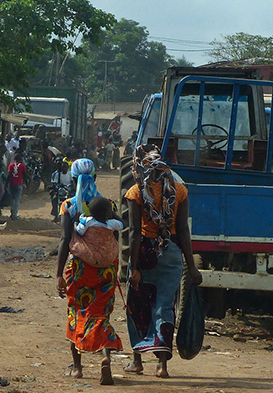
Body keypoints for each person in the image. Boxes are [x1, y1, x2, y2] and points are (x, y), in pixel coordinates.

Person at [123, 145, 202, 379]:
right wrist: (192, 265)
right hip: (172, 251)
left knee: (137, 304)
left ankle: (137, 360)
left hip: (145, 252)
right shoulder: (179, 191)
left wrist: (133, 266)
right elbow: (184, 231)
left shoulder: (136, 191)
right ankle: (162, 366)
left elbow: (134, 233)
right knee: (165, 307)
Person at [56, 160, 122, 385]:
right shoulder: (106, 205)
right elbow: (115, 238)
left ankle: (77, 367)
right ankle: (105, 358)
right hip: (106, 271)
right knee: (100, 314)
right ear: (95, 179)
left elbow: (65, 240)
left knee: (77, 311)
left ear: (73, 180)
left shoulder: (69, 206)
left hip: (80, 270)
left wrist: (58, 275)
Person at [49, 158, 73, 223]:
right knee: (54, 199)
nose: (64, 169)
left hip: (68, 190)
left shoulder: (70, 174)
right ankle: (56, 215)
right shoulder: (57, 174)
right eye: (63, 167)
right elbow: (54, 183)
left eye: (66, 167)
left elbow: (72, 182)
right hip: (60, 190)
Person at [7, 154, 27, 220]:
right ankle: (14, 215)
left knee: (12, 199)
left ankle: (12, 213)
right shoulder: (22, 166)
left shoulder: (11, 165)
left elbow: (9, 175)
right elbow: (25, 175)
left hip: (12, 184)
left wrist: (6, 184)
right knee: (17, 200)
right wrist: (26, 183)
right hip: (19, 184)